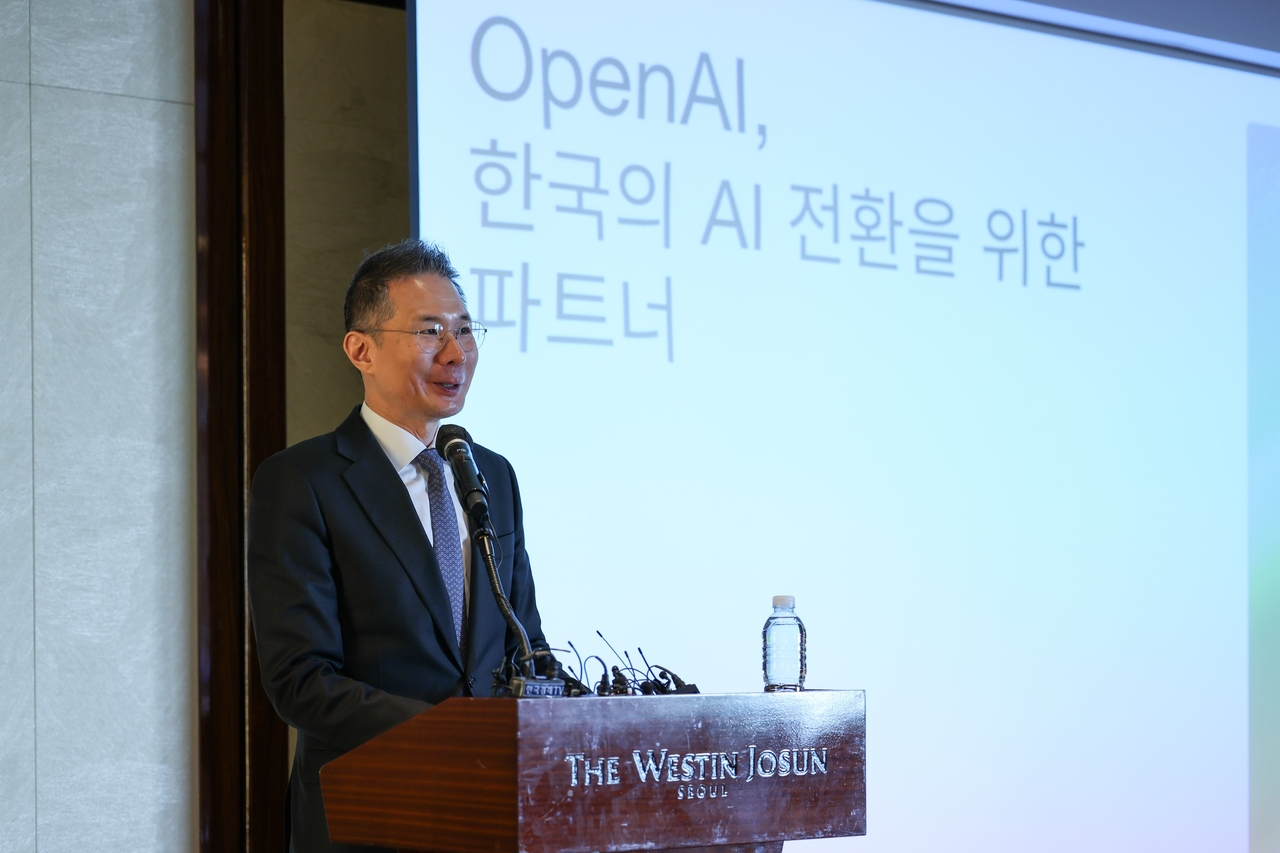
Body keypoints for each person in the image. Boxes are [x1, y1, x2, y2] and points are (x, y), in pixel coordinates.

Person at [247, 239, 546, 852]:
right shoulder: (303, 481)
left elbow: (525, 645)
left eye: (466, 330)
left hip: (494, 816)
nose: (457, 353)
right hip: (370, 814)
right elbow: (299, 679)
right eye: (430, 332)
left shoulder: (493, 475)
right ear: (362, 349)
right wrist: (455, 735)